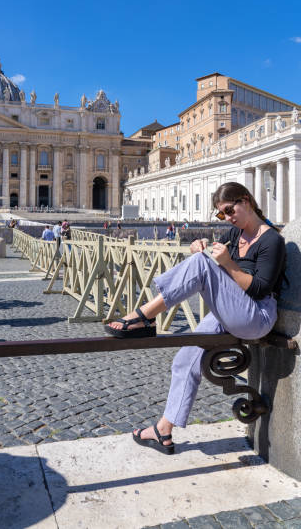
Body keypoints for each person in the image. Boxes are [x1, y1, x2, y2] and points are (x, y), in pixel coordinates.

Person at [105, 182, 286, 455]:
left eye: (229, 209)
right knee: (186, 358)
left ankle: (143, 316)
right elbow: (214, 256)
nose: (227, 217)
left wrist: (227, 263)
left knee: (202, 265)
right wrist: (200, 246)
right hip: (233, 312)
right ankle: (163, 429)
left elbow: (260, 288)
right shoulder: (236, 233)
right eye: (221, 215)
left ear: (246, 200)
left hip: (257, 316)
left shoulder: (272, 239)